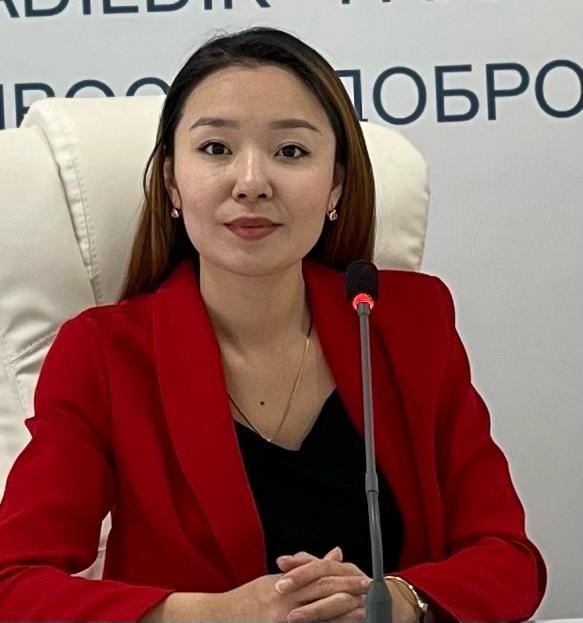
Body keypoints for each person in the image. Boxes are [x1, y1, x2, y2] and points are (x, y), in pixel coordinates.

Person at [0, 27, 546, 622]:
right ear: (172, 182)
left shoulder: (408, 322)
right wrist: (217, 615)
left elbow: (509, 559)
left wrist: (393, 602)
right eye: (216, 148)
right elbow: (14, 584)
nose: (252, 183)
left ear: (335, 184)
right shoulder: (103, 353)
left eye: (291, 152)